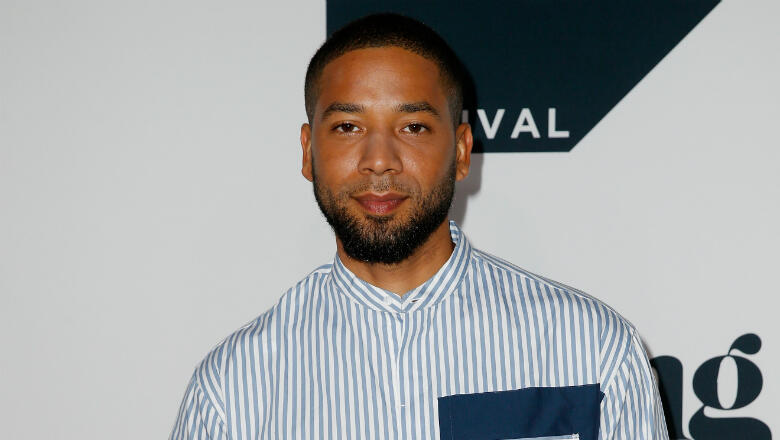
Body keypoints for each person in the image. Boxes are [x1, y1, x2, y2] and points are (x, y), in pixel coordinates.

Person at [169, 13, 668, 440]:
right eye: (348, 127)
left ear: (462, 151)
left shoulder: (593, 349)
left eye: (412, 127)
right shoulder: (232, 390)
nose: (379, 160)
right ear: (307, 151)